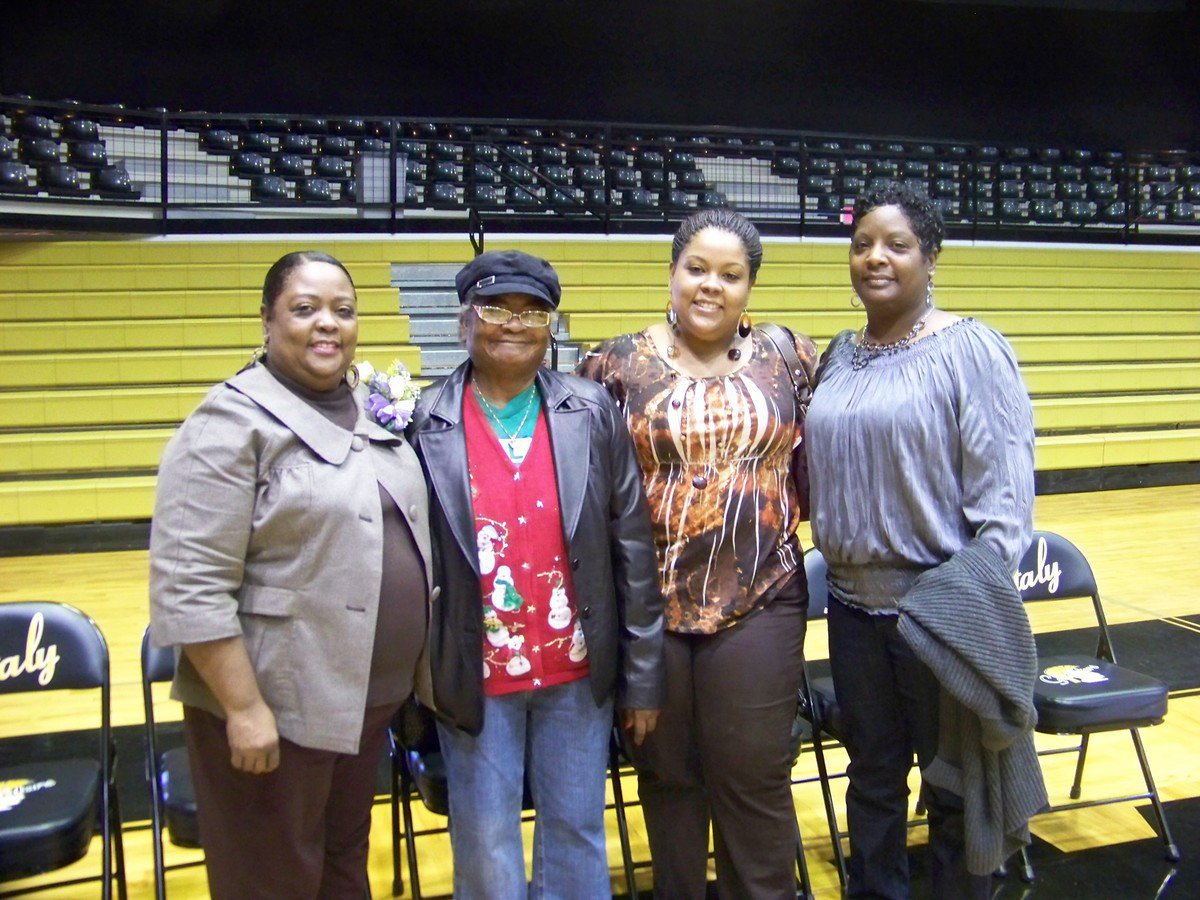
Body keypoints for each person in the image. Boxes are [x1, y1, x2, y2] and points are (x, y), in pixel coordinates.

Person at [149, 251, 434, 899]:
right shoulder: (228, 424)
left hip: (360, 702)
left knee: (341, 862)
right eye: (305, 309)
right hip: (276, 711)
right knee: (271, 878)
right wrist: (243, 709)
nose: (326, 324)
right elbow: (189, 586)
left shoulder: (360, 408)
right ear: (268, 320)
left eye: (342, 310)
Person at [805, 181, 1040, 899]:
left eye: (897, 245)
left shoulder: (970, 349)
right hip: (850, 609)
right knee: (872, 778)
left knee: (953, 789)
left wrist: (969, 598)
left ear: (930, 258)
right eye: (862, 244)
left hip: (938, 612)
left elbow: (1004, 498)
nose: (876, 258)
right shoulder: (839, 356)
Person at [407, 249, 664, 899]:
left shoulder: (591, 409)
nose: (514, 325)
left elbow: (631, 543)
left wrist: (642, 677)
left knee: (578, 831)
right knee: (486, 839)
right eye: (496, 309)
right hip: (476, 669)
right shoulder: (425, 419)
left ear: (551, 324)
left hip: (578, 669)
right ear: (466, 321)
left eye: (533, 312)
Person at [578, 209, 818, 899]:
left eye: (730, 274)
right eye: (698, 268)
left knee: (752, 779)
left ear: (749, 288)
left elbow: (817, 466)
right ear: (673, 273)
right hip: (648, 610)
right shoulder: (612, 364)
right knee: (668, 779)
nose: (711, 285)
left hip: (761, 599)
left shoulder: (790, 358)